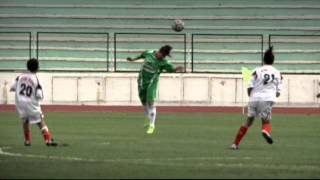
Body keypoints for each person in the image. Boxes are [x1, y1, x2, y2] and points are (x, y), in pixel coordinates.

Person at [231, 47, 283, 150]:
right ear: (273, 61)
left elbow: (250, 87)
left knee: (248, 121)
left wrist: (251, 97)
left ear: (263, 60)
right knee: (266, 121)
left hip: (254, 98)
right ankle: (266, 131)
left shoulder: (256, 70)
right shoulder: (277, 73)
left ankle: (235, 144)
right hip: (267, 98)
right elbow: (278, 93)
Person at [127, 45, 184, 134]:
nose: (164, 57)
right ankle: (147, 117)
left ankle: (152, 125)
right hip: (142, 80)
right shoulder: (149, 53)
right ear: (159, 52)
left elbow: (171, 70)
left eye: (165, 56)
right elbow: (141, 56)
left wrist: (176, 69)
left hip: (152, 82)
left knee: (151, 101)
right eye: (164, 55)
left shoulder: (164, 62)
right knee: (143, 101)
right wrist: (133, 60)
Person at [10, 58, 57, 146]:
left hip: (20, 103)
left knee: (25, 120)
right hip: (31, 104)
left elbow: (12, 87)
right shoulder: (36, 80)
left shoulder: (20, 76)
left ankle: (27, 141)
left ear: (27, 67)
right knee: (40, 120)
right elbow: (39, 95)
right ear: (37, 68)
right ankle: (48, 139)